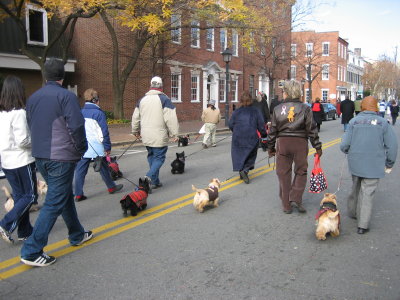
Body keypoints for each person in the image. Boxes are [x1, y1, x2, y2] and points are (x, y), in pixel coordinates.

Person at [21, 58, 92, 267]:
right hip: (60, 156)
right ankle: (32, 250)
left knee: (62, 195)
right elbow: (77, 126)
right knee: (54, 202)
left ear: (45, 76)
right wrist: (81, 148)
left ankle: (77, 233)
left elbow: (30, 123)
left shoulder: (33, 98)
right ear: (63, 76)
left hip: (40, 155)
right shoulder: (66, 96)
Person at [340, 96, 397, 234]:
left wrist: (348, 151)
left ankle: (353, 212)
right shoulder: (383, 123)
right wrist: (389, 162)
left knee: (355, 187)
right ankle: (363, 224)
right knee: (368, 192)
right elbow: (392, 146)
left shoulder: (354, 121)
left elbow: (344, 145)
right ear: (376, 107)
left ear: (363, 107)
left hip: (356, 161)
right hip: (374, 163)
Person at [267, 80, 322, 214]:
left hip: (283, 142)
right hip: (300, 143)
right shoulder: (305, 108)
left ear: (285, 92)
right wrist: (317, 147)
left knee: (283, 173)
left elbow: (272, 130)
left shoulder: (277, 109)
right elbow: (312, 129)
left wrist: (270, 147)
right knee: (301, 171)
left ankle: (286, 204)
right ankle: (296, 197)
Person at [0, 75, 37, 244]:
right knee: (29, 196)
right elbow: (23, 141)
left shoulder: (2, 114)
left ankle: (25, 230)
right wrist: (36, 142)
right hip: (22, 160)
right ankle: (6, 224)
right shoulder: (19, 113)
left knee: (21, 196)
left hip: (7, 162)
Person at [74, 88, 123, 202]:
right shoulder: (98, 113)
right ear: (95, 99)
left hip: (83, 146)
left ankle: (78, 194)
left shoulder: (80, 112)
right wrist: (107, 147)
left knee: (80, 170)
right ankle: (111, 187)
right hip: (96, 146)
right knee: (103, 167)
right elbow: (104, 131)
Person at [131, 76, 179, 191]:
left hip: (146, 134)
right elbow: (171, 118)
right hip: (159, 134)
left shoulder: (142, 100)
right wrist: (175, 134)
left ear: (150, 86)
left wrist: (135, 131)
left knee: (151, 156)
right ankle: (148, 178)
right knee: (159, 158)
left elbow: (135, 117)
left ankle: (155, 181)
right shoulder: (164, 99)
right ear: (161, 87)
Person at [229, 91, 267, 184]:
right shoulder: (255, 111)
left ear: (241, 100)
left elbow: (230, 124)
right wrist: (264, 135)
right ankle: (245, 170)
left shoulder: (236, 112)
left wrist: (236, 130)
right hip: (251, 136)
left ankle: (241, 170)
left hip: (238, 136)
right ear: (251, 100)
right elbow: (261, 125)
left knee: (239, 154)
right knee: (251, 154)